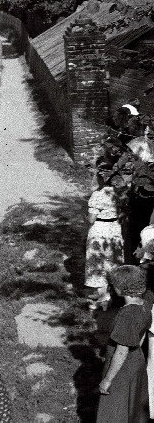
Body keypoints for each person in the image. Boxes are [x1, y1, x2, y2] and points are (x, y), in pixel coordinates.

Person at [96, 265, 151, 423]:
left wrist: (107, 380)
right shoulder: (145, 304)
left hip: (122, 370)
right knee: (133, 405)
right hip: (138, 361)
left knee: (116, 409)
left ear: (121, 288)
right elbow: (141, 334)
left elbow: (121, 352)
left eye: (114, 284)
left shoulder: (126, 315)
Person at [85, 181, 124, 310]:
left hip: (100, 229)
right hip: (115, 229)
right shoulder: (120, 192)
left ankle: (103, 298)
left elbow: (91, 219)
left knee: (98, 262)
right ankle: (109, 294)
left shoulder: (98, 195)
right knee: (111, 262)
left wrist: (84, 216)